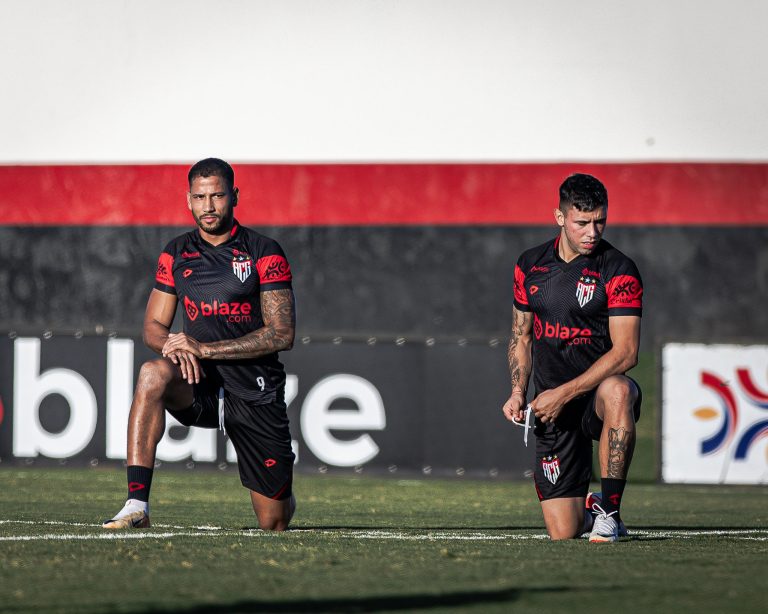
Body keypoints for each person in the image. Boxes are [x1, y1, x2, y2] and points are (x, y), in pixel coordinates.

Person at [103, 158, 296, 531]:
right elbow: (153, 326)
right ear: (188, 200)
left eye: (217, 195)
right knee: (151, 375)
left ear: (234, 196)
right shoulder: (175, 252)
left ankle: (283, 494)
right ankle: (136, 504)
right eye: (200, 197)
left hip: (254, 390)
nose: (208, 206)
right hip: (199, 385)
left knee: (273, 522)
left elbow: (281, 334)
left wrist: (204, 349)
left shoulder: (264, 252)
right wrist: (174, 346)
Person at [501, 173, 643, 542]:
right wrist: (518, 391)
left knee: (619, 390)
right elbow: (521, 337)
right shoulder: (530, 265)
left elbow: (626, 353)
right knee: (563, 533)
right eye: (582, 222)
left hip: (594, 399)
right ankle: (590, 506)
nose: (592, 231)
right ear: (559, 217)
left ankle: (609, 512)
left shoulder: (618, 269)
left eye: (600, 221)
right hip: (552, 408)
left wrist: (563, 393)